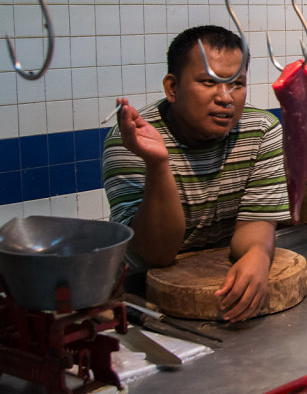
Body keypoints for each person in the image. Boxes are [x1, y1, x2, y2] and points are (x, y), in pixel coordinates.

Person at [103, 26, 289, 322]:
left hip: (216, 284)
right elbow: (157, 253)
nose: (226, 98)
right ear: (172, 88)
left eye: (237, 84)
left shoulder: (261, 131)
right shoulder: (131, 140)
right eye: (208, 82)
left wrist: (257, 254)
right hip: (139, 296)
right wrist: (158, 163)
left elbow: (255, 223)